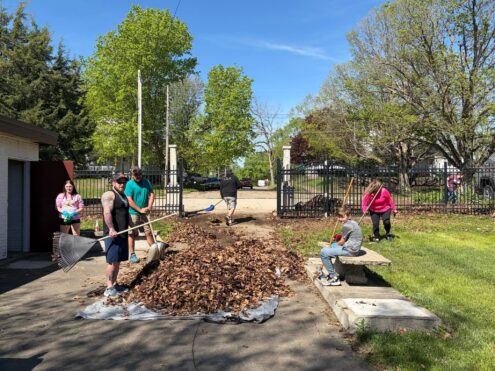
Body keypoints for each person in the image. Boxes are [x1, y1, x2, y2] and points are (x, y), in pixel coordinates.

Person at [101, 173, 131, 298]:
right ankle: (108, 288)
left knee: (118, 262)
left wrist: (132, 226)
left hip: (123, 233)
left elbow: (126, 213)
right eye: (119, 182)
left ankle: (114, 284)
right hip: (113, 234)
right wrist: (111, 228)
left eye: (124, 182)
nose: (122, 184)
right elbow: (107, 212)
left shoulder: (123, 196)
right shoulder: (109, 195)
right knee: (112, 261)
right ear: (113, 182)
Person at [319, 206, 363, 286]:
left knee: (323, 252)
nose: (340, 219)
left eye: (342, 217)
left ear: (348, 216)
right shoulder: (352, 223)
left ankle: (334, 277)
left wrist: (331, 246)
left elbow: (342, 242)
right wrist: (333, 245)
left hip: (350, 250)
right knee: (332, 246)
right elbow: (344, 239)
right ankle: (332, 271)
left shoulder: (347, 226)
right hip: (353, 248)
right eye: (339, 217)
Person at [124, 167, 155, 263]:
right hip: (132, 213)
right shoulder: (129, 184)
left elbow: (152, 194)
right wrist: (139, 210)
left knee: (148, 232)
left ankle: (154, 251)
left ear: (142, 174)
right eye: (135, 175)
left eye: (139, 175)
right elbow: (129, 200)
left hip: (145, 211)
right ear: (132, 175)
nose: (137, 177)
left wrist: (149, 207)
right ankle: (132, 254)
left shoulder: (146, 182)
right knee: (132, 233)